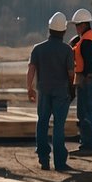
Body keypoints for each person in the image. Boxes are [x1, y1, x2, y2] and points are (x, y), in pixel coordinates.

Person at [27, 12, 76, 171]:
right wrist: (72, 88)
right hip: (61, 92)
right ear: (64, 31)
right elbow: (71, 73)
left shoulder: (38, 49)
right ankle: (60, 162)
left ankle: (43, 159)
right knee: (58, 126)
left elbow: (31, 70)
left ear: (49, 29)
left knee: (42, 123)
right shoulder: (67, 50)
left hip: (43, 91)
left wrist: (30, 88)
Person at [69, 7, 92, 156]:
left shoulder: (87, 40)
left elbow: (90, 61)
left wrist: (87, 77)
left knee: (86, 113)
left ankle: (89, 146)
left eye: (77, 25)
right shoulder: (85, 38)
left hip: (89, 79)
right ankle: (87, 144)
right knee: (84, 112)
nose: (76, 28)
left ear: (83, 24)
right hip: (88, 78)